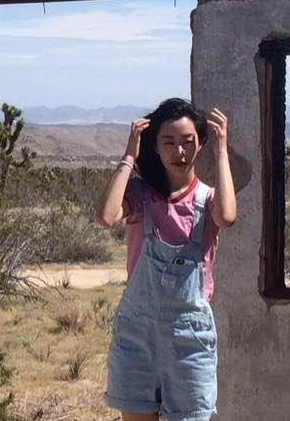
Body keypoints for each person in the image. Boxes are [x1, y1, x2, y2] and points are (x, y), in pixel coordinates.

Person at [95, 98, 237, 421]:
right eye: (169, 143)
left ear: (200, 145)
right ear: (155, 148)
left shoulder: (207, 199)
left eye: (188, 142)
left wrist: (223, 151)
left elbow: (227, 216)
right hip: (137, 338)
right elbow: (105, 216)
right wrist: (129, 155)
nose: (180, 152)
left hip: (190, 341)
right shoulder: (139, 195)